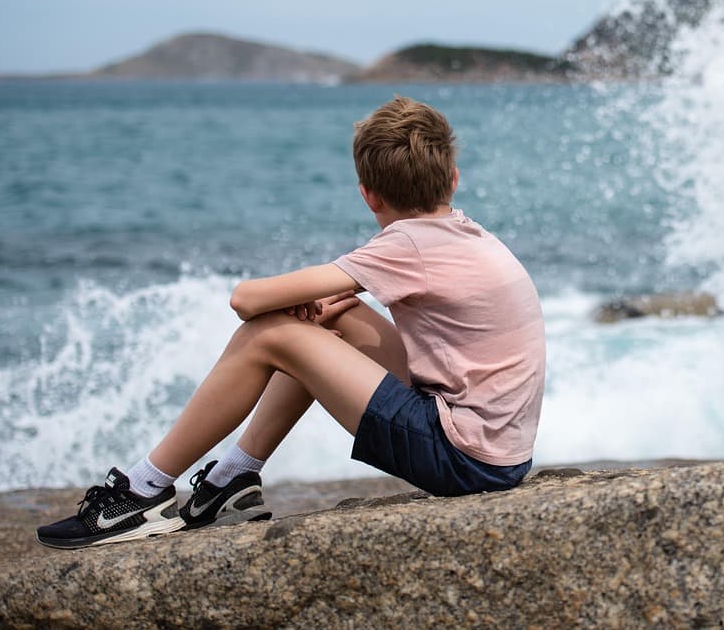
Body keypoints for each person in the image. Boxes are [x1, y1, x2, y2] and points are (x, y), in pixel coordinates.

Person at [37, 97, 546, 549]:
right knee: (333, 316)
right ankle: (233, 480)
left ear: (368, 194)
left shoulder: (406, 244)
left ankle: (140, 492)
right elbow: (344, 292)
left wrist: (300, 311)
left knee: (271, 334)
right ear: (453, 178)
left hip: (462, 458)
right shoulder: (463, 232)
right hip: (499, 453)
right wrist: (325, 306)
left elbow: (246, 299)